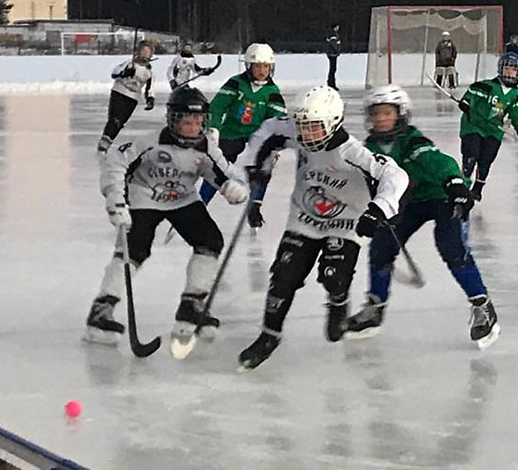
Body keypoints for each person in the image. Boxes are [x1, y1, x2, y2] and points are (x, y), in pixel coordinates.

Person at [236, 85, 409, 370]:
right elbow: (269, 131)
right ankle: (269, 336)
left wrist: (379, 208)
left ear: (333, 123)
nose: (306, 135)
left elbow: (394, 175)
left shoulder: (351, 151)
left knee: (334, 276)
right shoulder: (301, 133)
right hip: (304, 219)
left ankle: (338, 302)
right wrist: (256, 164)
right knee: (283, 277)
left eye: (314, 127)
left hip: (345, 223)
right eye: (302, 127)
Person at [84, 86, 249, 345]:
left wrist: (231, 187)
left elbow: (222, 171)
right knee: (135, 250)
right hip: (144, 196)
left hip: (182, 198)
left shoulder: (206, 146)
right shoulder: (149, 142)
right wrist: (116, 201)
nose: (193, 127)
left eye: (198, 121)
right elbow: (116, 162)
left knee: (210, 241)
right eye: (187, 121)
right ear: (173, 120)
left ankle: (191, 307)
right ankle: (101, 311)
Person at [345, 85, 500, 349]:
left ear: (401, 114)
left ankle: (482, 305)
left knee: (452, 246)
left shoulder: (412, 141)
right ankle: (375, 307)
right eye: (376, 113)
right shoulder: (369, 148)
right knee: (381, 246)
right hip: (409, 202)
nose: (381, 118)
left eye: (387, 112)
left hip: (442, 196)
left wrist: (454, 183)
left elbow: (436, 160)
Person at [200, 42, 286, 230]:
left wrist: (274, 144)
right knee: (216, 166)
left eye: (266, 66)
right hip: (232, 131)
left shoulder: (272, 92)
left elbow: (276, 120)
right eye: (258, 66)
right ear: (249, 66)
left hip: (257, 135)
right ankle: (200, 204)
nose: (262, 70)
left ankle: (255, 206)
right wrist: (214, 128)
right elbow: (217, 106)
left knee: (262, 167)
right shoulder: (236, 83)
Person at [457, 52, 518, 201]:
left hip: (493, 130)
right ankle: (463, 186)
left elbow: (517, 114)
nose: (509, 71)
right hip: (473, 125)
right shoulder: (486, 86)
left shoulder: (515, 95)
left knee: (486, 159)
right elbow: (472, 93)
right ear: (500, 69)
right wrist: (466, 102)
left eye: (513, 68)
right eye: (506, 68)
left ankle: (477, 189)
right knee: (471, 153)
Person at [97, 41, 156, 152]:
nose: (145, 54)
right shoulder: (129, 63)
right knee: (115, 119)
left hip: (133, 98)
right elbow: (114, 73)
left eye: (148, 52)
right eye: (143, 51)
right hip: (119, 91)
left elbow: (150, 88)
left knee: (121, 122)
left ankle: (108, 140)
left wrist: (150, 99)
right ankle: (104, 142)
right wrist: (125, 73)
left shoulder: (149, 72)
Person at [326, 23, 341, 90]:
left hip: (331, 54)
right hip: (332, 54)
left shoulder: (332, 34)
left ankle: (331, 82)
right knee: (333, 69)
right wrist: (337, 50)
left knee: (332, 69)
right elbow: (334, 44)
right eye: (337, 27)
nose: (338, 28)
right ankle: (331, 83)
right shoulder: (333, 35)